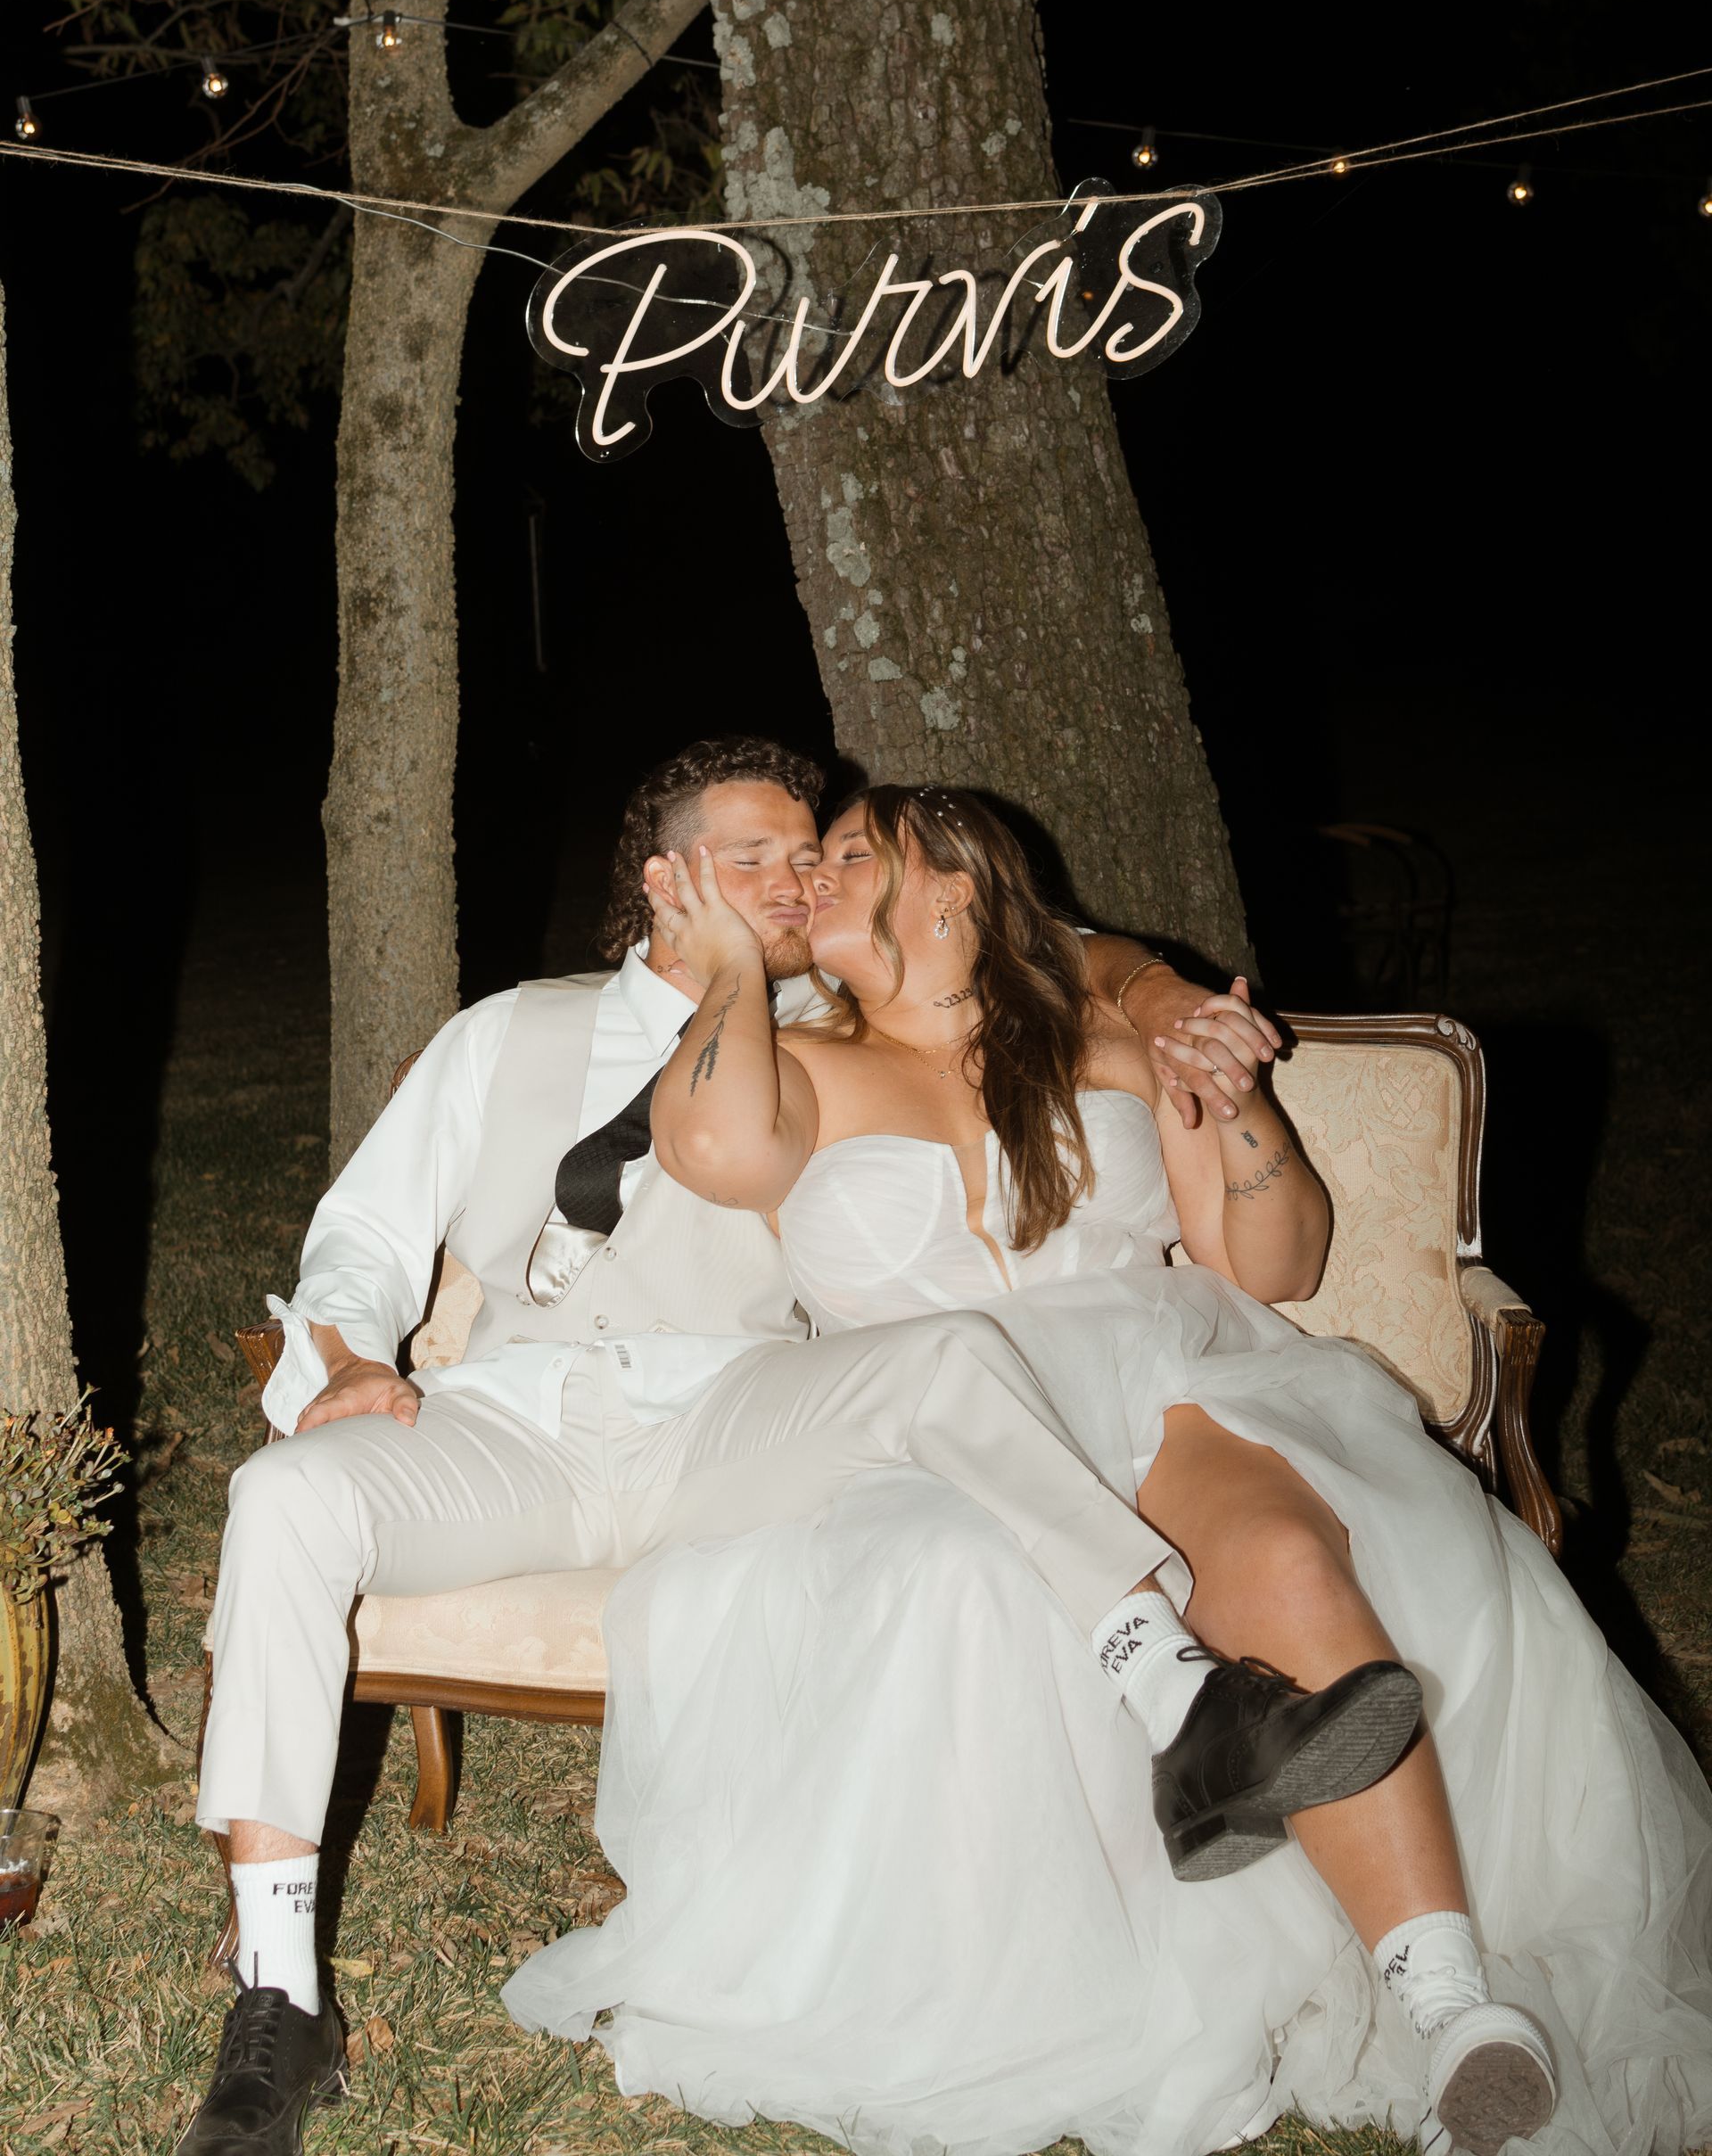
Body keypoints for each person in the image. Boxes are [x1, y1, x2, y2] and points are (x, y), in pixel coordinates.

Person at [179, 736, 1361, 2156]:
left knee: (943, 1355)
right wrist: (346, 1361)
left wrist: (1162, 995)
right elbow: (365, 1235)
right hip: (517, 1423)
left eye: (813, 859)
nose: (797, 884)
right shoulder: (510, 1032)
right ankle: (276, 1998)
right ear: (665, 881)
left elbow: (1051, 949)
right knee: (284, 1500)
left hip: (737, 1417)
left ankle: (1179, 1698)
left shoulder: (838, 1022)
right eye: (755, 860)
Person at [506, 785, 1712, 2156]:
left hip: (1163, 1376)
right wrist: (729, 959)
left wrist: (1235, 1098)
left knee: (1291, 1562)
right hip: (940, 1430)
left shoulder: (1105, 1048)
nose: (812, 881)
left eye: (849, 856)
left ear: (951, 890)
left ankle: (1454, 2014)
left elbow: (1275, 1265)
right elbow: (712, 1149)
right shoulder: (803, 1067)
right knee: (963, 1590)